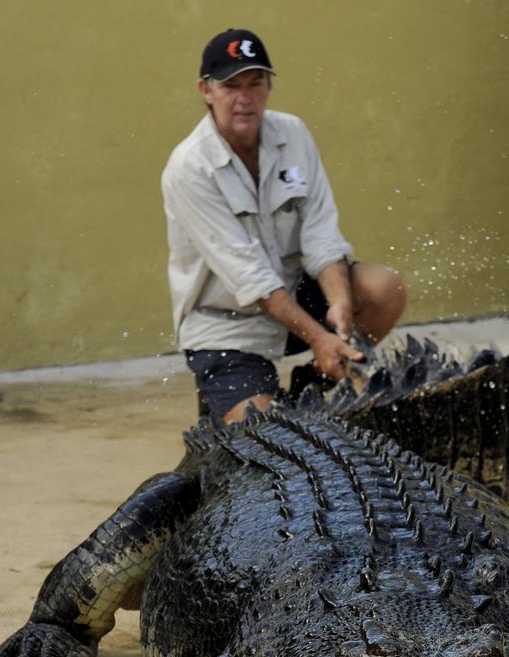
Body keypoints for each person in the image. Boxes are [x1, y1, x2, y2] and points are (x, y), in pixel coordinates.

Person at [161, 28, 406, 423]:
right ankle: (237, 401)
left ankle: (315, 388)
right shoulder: (189, 168)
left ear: (268, 87)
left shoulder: (293, 133)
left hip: (293, 290)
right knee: (265, 434)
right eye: (231, 86)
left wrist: (340, 304)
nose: (245, 99)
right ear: (206, 91)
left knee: (383, 288)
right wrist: (318, 336)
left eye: (256, 84)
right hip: (228, 326)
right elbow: (250, 276)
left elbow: (321, 234)